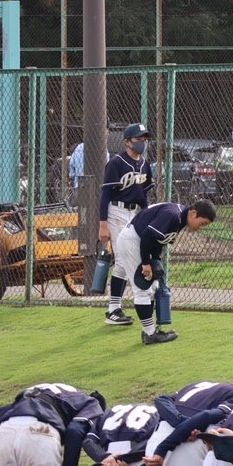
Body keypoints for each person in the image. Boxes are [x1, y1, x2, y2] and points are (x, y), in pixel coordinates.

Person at [112, 198, 217, 345]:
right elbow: (148, 235)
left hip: (137, 241)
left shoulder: (180, 218)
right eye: (202, 223)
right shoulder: (173, 215)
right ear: (193, 213)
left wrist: (156, 260)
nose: (201, 227)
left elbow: (158, 240)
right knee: (143, 290)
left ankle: (150, 330)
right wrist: (146, 263)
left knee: (152, 287)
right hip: (133, 241)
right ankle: (150, 333)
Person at [98, 122, 155, 327]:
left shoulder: (145, 164)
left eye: (144, 140)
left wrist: (147, 215)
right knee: (123, 259)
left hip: (134, 213)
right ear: (127, 142)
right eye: (138, 140)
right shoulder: (117, 162)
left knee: (125, 259)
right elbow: (105, 195)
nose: (142, 143)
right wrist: (103, 223)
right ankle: (113, 310)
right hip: (116, 211)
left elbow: (144, 194)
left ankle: (114, 309)